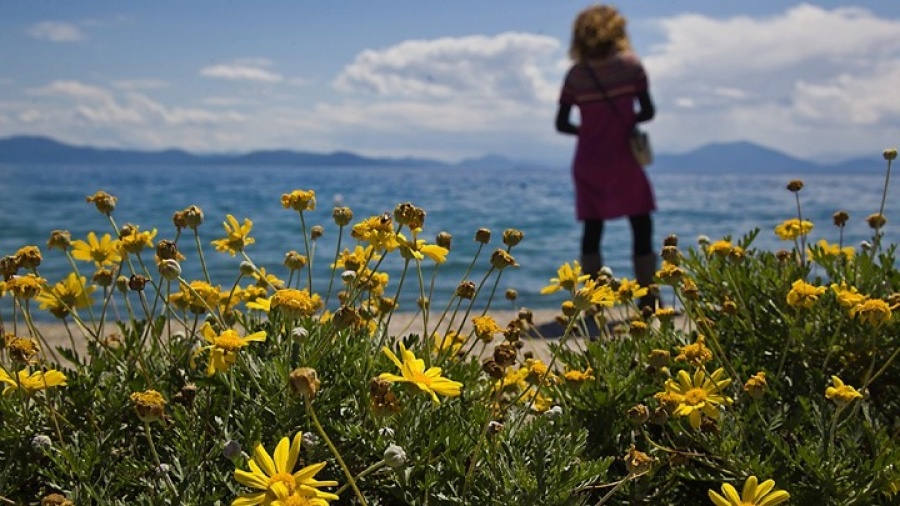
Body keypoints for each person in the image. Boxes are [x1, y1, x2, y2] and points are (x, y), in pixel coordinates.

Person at [555, 4, 659, 309]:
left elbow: (561, 124)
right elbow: (648, 111)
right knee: (641, 224)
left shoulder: (576, 74)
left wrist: (589, 130)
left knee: (592, 228)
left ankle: (592, 302)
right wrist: (624, 122)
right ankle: (648, 298)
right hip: (624, 157)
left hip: (588, 159)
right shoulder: (631, 66)